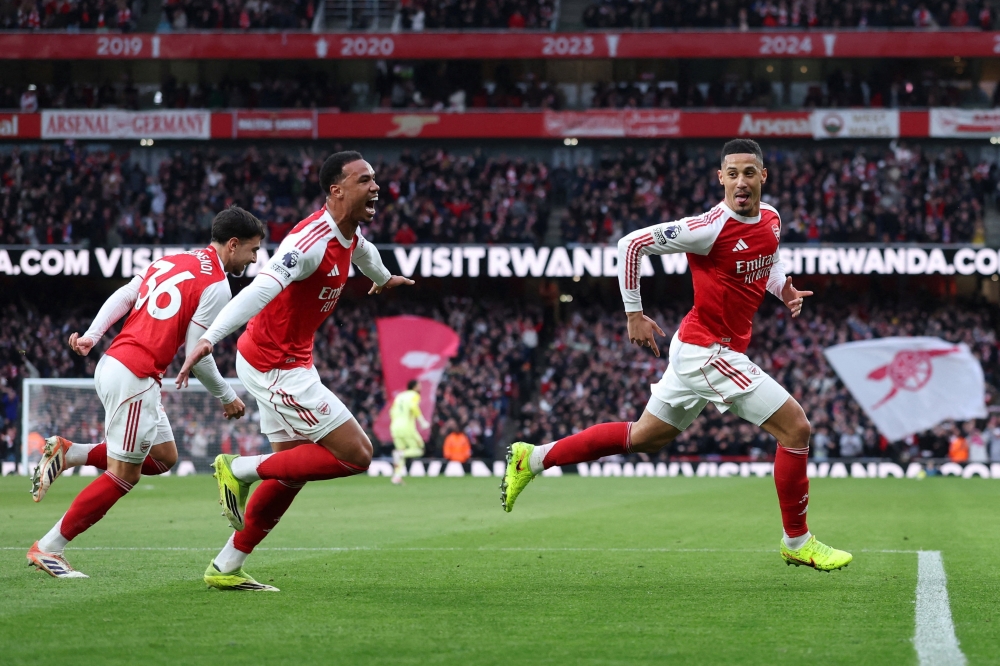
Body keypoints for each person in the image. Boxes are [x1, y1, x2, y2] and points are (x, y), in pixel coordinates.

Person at [500, 139, 852, 572]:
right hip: (707, 352)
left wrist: (784, 289)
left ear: (763, 176)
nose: (741, 182)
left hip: (700, 348)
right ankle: (797, 540)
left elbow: (769, 261)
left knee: (644, 438)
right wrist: (634, 314)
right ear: (720, 178)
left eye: (749, 173)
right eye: (732, 174)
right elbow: (630, 244)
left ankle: (531, 458)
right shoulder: (707, 229)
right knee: (796, 427)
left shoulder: (771, 219)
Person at [177, 151, 413, 592]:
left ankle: (226, 566)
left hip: (288, 360)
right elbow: (261, 289)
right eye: (365, 180)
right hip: (275, 366)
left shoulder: (349, 236)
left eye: (374, 179)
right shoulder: (307, 244)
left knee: (290, 472)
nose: (376, 187)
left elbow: (365, 254)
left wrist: (384, 279)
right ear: (336, 190)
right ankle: (238, 468)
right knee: (357, 454)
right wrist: (211, 337)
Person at [27, 206, 264, 578]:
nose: (254, 259)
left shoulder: (171, 260)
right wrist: (226, 395)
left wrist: (93, 335)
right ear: (233, 244)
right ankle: (49, 547)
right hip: (134, 376)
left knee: (164, 457)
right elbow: (196, 355)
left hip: (118, 365)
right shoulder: (217, 285)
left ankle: (71, 453)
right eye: (252, 250)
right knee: (124, 475)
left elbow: (125, 295)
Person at [389, 379, 430, 484]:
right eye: (419, 385)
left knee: (400, 452)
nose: (421, 387)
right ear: (415, 387)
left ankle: (396, 477)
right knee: (420, 449)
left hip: (394, 427)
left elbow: (391, 411)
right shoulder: (414, 395)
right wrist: (422, 421)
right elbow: (413, 407)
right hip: (407, 427)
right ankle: (400, 454)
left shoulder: (399, 396)